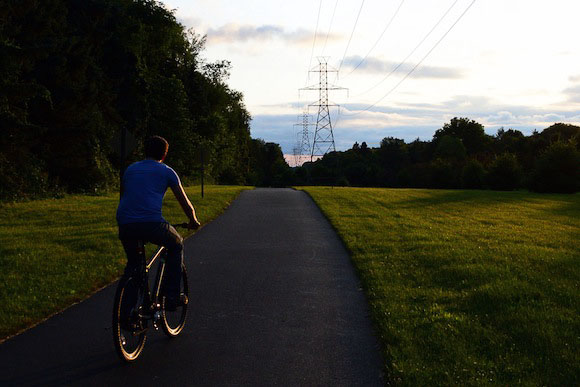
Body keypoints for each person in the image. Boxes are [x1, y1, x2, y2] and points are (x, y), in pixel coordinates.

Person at [116, 135, 200, 311]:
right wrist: (193, 220)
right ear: (164, 155)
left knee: (134, 266)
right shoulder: (166, 171)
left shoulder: (130, 169)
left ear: (144, 151)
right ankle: (172, 296)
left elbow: (127, 196)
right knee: (176, 244)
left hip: (125, 223)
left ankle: (126, 314)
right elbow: (184, 202)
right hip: (151, 223)